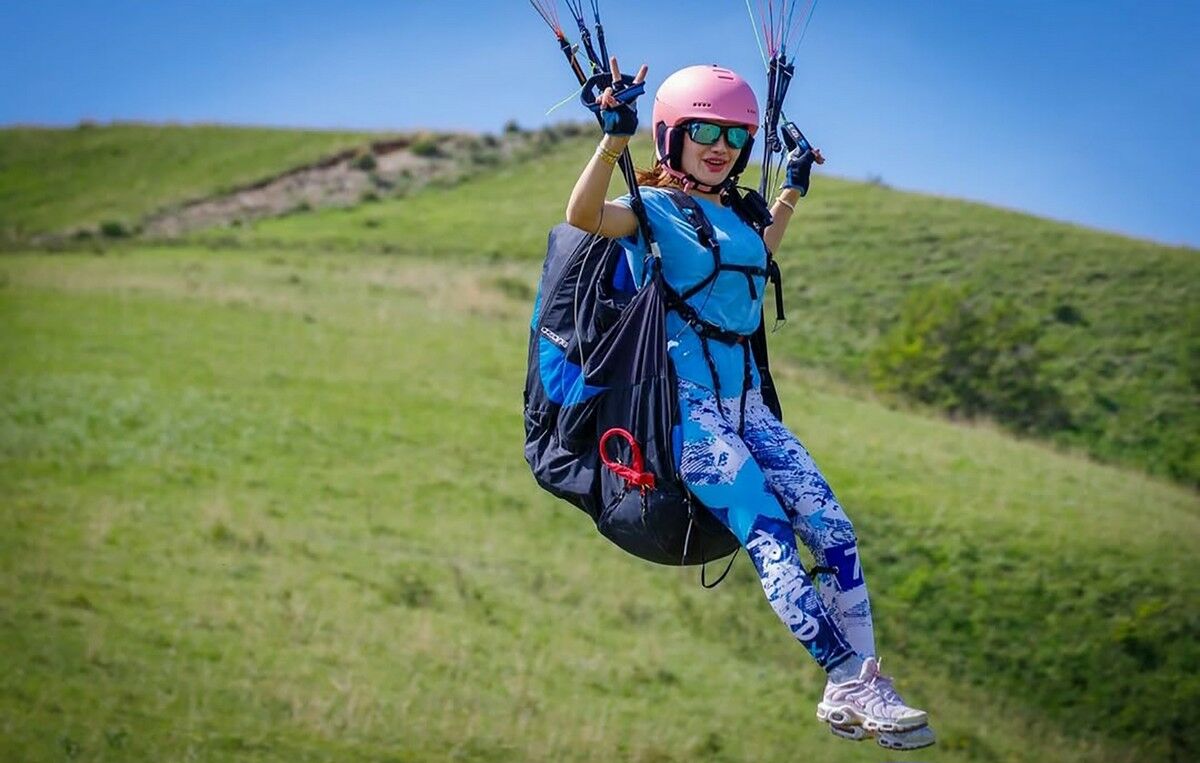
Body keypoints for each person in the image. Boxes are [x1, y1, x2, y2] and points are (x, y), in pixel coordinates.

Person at [565, 59, 935, 751]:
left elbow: (754, 260)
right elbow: (582, 216)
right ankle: (847, 677)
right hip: (690, 415)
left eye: (736, 135)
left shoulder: (738, 214)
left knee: (834, 529)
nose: (721, 146)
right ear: (670, 135)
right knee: (769, 535)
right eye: (704, 130)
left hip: (749, 409)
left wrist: (791, 190)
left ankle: (863, 686)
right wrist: (612, 139)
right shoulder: (651, 214)